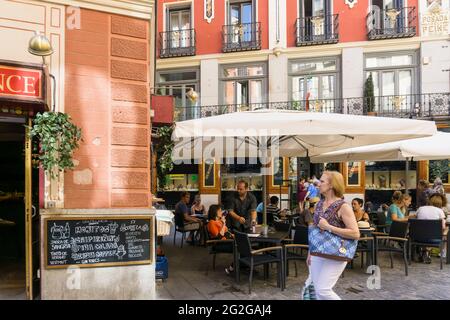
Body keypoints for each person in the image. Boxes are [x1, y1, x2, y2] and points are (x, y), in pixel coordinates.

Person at [307, 171, 360, 300]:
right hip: (317, 252)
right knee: (314, 288)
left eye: (322, 181)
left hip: (337, 252)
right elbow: (315, 230)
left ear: (331, 185)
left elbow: (355, 233)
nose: (318, 184)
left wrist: (329, 227)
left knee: (323, 290)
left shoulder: (343, 206)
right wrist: (310, 251)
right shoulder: (319, 204)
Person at [416, 193, 448, 263]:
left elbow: (415, 220)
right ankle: (442, 252)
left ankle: (424, 250)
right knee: (446, 231)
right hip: (433, 239)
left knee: (425, 230)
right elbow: (442, 227)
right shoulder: (440, 211)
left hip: (417, 238)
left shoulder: (420, 208)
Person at [207, 204, 235, 273]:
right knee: (240, 248)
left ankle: (236, 266)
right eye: (219, 211)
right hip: (219, 244)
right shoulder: (211, 223)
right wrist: (224, 223)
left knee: (243, 245)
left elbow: (227, 232)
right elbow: (219, 237)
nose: (221, 212)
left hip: (228, 241)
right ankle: (233, 267)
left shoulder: (219, 221)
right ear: (214, 212)